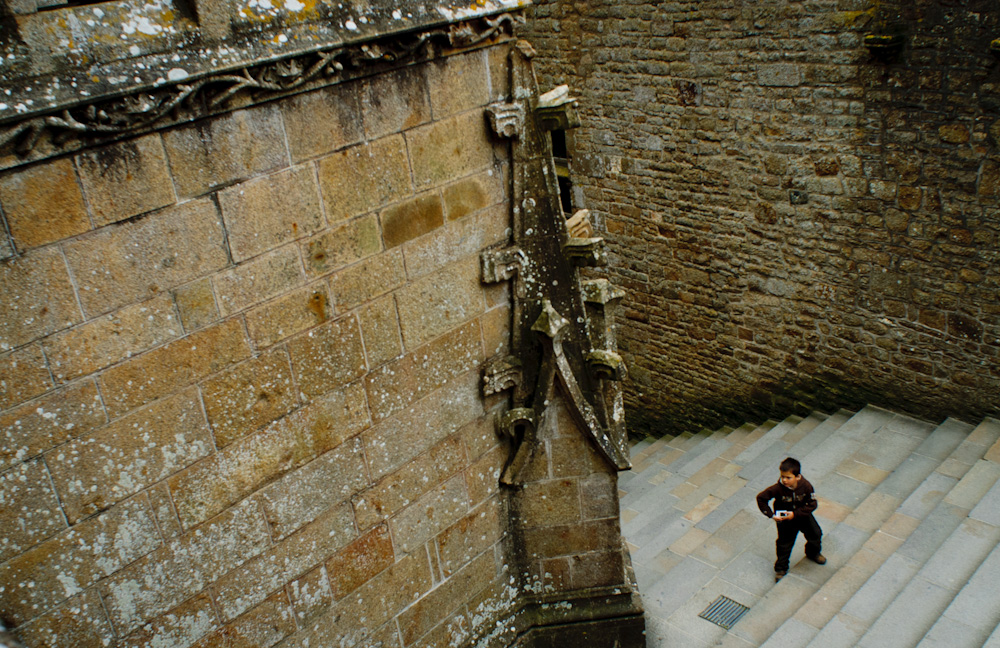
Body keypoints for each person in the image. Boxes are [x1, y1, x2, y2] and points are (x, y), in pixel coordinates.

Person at [756, 456, 826, 582]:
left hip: (803, 516)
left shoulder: (806, 486)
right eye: (783, 477)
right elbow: (761, 498)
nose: (785, 480)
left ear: (797, 476)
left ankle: (813, 553)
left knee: (815, 533)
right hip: (785, 521)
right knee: (784, 544)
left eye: (788, 477)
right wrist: (771, 514)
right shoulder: (777, 488)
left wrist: (796, 514)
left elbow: (812, 503)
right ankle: (781, 569)